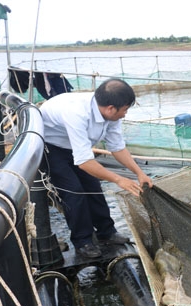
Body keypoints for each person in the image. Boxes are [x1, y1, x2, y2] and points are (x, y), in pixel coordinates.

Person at [40, 78, 153, 259]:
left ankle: (106, 232)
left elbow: (117, 147)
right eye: (125, 110)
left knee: (93, 186)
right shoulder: (77, 113)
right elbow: (84, 162)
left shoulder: (111, 114)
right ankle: (83, 241)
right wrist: (118, 179)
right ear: (110, 108)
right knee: (74, 191)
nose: (125, 114)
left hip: (75, 146)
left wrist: (140, 173)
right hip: (50, 146)